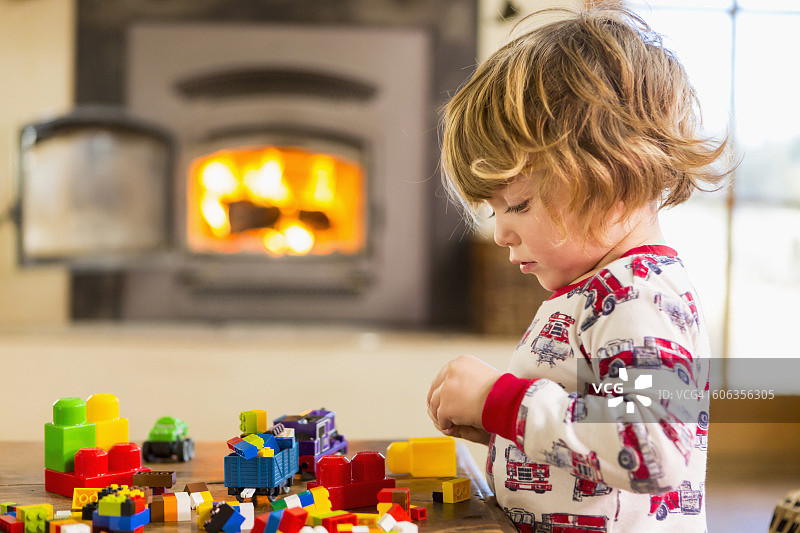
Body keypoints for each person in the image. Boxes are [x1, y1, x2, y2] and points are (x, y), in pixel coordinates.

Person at [427, 5, 732, 532]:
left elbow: (649, 447)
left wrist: (499, 398)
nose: (501, 232)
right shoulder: (602, 289)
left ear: (614, 179)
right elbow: (590, 435)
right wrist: (498, 425)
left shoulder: (639, 296)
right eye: (494, 210)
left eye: (518, 205)